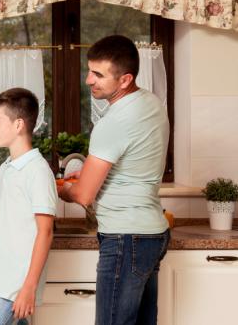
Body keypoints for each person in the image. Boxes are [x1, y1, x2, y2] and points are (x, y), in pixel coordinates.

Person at [58, 35, 170, 325]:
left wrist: (65, 189)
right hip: (152, 234)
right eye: (89, 70)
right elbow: (133, 160)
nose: (88, 80)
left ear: (125, 79)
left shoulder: (114, 121)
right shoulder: (151, 103)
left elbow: (83, 196)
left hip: (125, 238)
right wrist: (87, 175)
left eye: (98, 74)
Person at [0, 88, 57, 325]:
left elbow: (45, 232)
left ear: (18, 124)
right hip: (3, 280)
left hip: (16, 285)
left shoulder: (37, 171)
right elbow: (2, 219)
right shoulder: (9, 167)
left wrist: (28, 288)